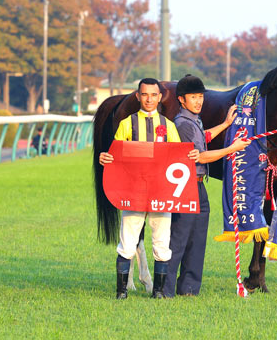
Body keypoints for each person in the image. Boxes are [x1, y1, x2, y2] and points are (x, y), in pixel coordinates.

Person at [163, 74, 251, 297]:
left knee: (197, 239)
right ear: (181, 100)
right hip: (186, 187)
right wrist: (232, 149)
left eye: (200, 96)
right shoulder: (182, 123)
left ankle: (189, 289)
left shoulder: (195, 120)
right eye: (193, 97)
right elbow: (200, 157)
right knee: (179, 239)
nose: (199, 101)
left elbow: (205, 137)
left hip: (199, 186)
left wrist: (226, 124)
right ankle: (164, 289)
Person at [99, 78, 182, 299]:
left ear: (160, 97)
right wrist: (106, 157)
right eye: (145, 94)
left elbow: (178, 159)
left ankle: (158, 292)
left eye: (153, 95)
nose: (149, 99)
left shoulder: (168, 126)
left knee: (162, 244)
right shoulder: (127, 124)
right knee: (127, 243)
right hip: (133, 193)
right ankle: (121, 291)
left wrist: (190, 156)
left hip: (161, 193)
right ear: (138, 96)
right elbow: (115, 155)